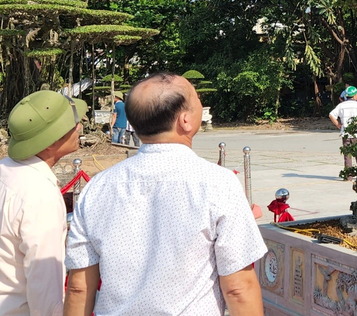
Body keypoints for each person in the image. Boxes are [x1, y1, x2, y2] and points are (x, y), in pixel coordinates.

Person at [64, 73, 266, 316]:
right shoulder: (218, 183)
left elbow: (79, 288)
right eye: (197, 98)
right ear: (185, 120)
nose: (201, 101)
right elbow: (238, 289)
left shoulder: (98, 187)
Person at [0, 90, 87, 316]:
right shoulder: (40, 192)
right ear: (51, 140)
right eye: (73, 124)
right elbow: (45, 290)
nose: (79, 127)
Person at [329, 85, 357, 177]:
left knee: (347, 156)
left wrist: (338, 125)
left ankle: (348, 175)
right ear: (355, 95)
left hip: (345, 133)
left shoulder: (341, 105)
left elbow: (331, 115)